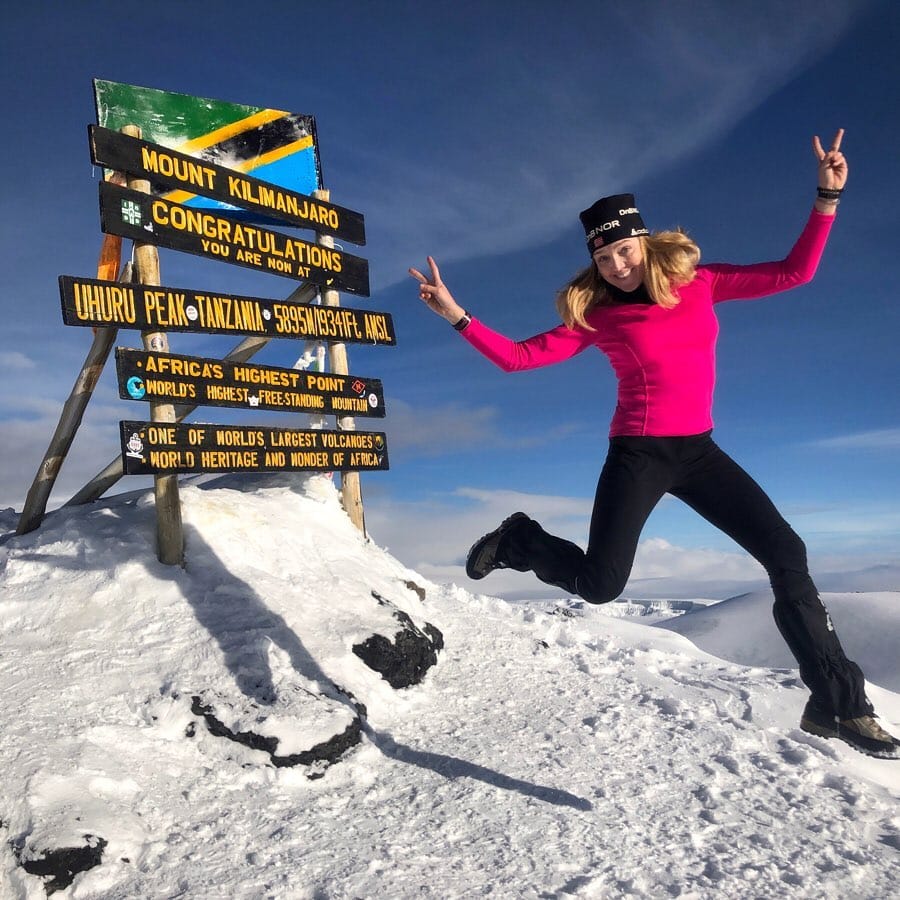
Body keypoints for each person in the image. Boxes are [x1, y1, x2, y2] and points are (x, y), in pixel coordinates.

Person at [409, 129, 899, 760]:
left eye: (624, 249)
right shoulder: (600, 315)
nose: (617, 264)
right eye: (604, 256)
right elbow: (518, 359)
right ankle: (521, 540)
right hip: (638, 455)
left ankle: (838, 703)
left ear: (645, 241)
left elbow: (795, 271)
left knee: (786, 550)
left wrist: (826, 198)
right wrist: (457, 315)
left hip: (699, 452)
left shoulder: (702, 282)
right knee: (600, 585)